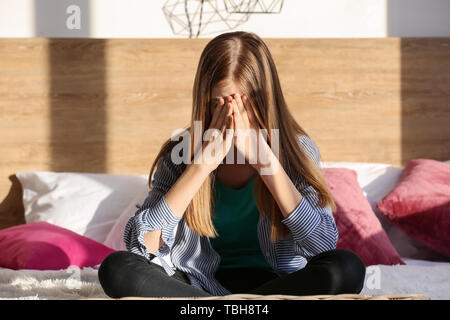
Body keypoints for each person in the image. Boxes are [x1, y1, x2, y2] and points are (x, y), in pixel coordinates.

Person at [98, 31, 366, 298]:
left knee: (347, 268)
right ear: (204, 104)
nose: (232, 116)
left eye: (243, 103)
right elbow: (141, 245)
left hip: (276, 286)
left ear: (264, 101)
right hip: (194, 284)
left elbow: (322, 245)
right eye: (219, 104)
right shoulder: (181, 152)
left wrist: (267, 164)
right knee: (117, 268)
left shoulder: (297, 150)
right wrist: (201, 166)